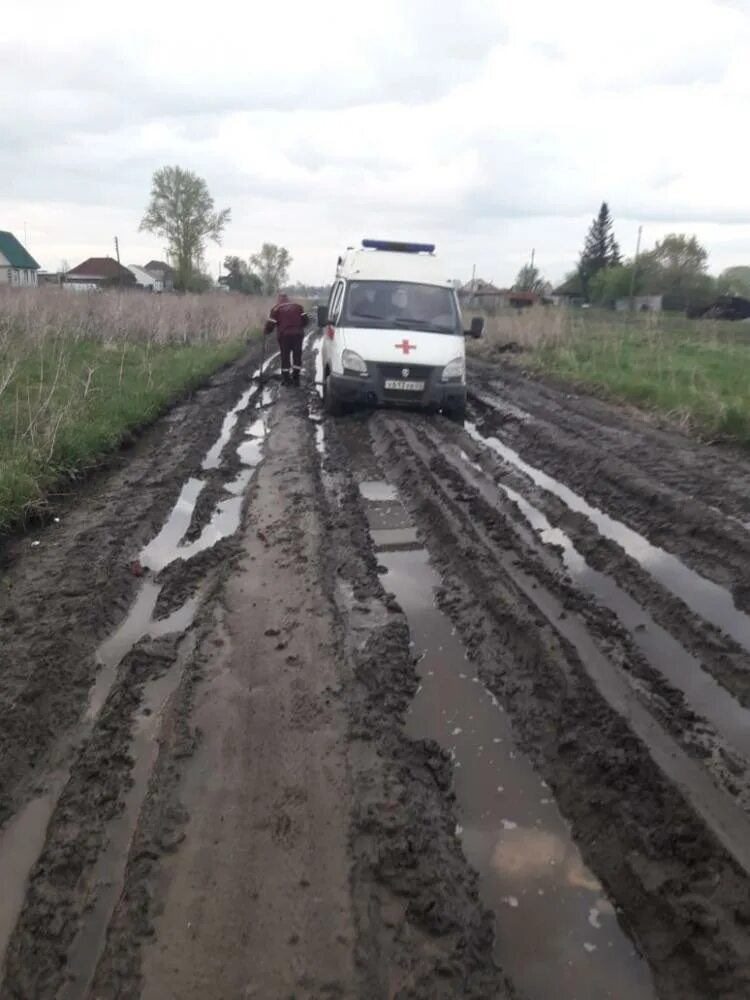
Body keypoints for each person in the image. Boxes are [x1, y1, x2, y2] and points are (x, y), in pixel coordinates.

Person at [264, 294, 308, 386]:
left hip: (284, 336)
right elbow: (305, 321)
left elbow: (271, 324)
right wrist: (298, 327)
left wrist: (266, 331)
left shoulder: (276, 309)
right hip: (298, 335)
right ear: (288, 299)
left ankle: (286, 379)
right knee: (297, 355)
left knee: (285, 356)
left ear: (279, 300)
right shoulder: (298, 307)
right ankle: (296, 378)